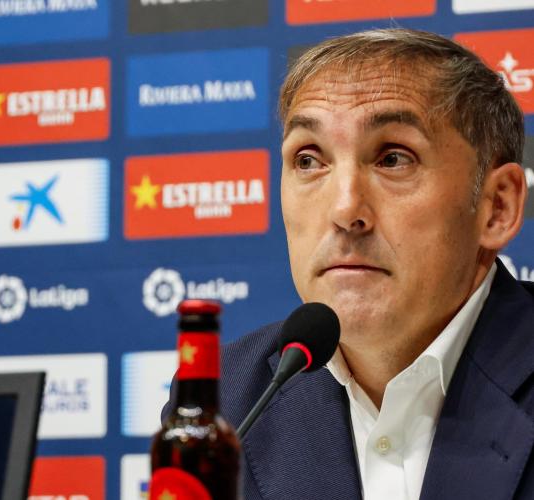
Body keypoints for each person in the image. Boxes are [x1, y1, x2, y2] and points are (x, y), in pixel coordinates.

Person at [188, 29, 534, 499]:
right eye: (308, 161)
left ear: (496, 207)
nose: (345, 209)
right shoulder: (230, 397)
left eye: (393, 158)